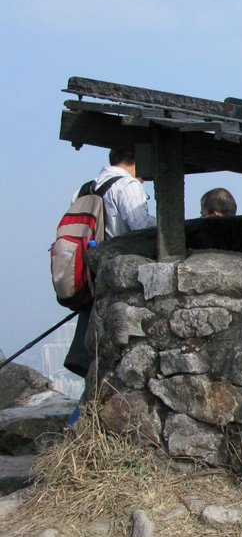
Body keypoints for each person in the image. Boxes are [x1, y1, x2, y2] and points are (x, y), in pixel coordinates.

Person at [64, 149, 157, 380]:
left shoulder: (85, 188)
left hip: (91, 271)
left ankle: (86, 399)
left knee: (93, 344)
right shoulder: (127, 185)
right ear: (138, 160)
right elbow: (141, 225)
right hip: (119, 272)